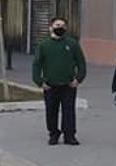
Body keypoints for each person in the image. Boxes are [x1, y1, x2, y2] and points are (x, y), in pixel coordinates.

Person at [32, 17, 87, 146]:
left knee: (69, 111)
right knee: (51, 111)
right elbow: (37, 64)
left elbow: (81, 62)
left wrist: (79, 78)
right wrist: (39, 81)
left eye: (62, 25)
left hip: (68, 84)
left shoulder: (72, 44)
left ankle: (70, 135)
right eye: (57, 25)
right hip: (50, 85)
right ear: (50, 27)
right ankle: (53, 133)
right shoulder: (44, 45)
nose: (59, 28)